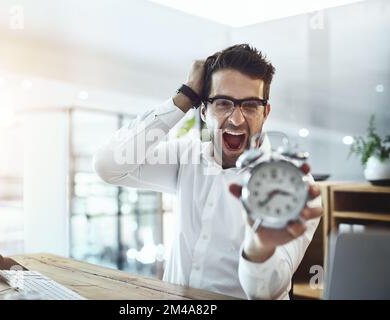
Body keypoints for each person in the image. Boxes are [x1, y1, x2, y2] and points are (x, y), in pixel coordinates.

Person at [94, 44, 323, 299]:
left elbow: (266, 293)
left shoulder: (292, 185)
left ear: (265, 112)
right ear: (203, 111)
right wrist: (185, 95)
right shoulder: (185, 156)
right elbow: (108, 165)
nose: (236, 120)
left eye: (249, 105)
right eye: (223, 103)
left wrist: (260, 248)